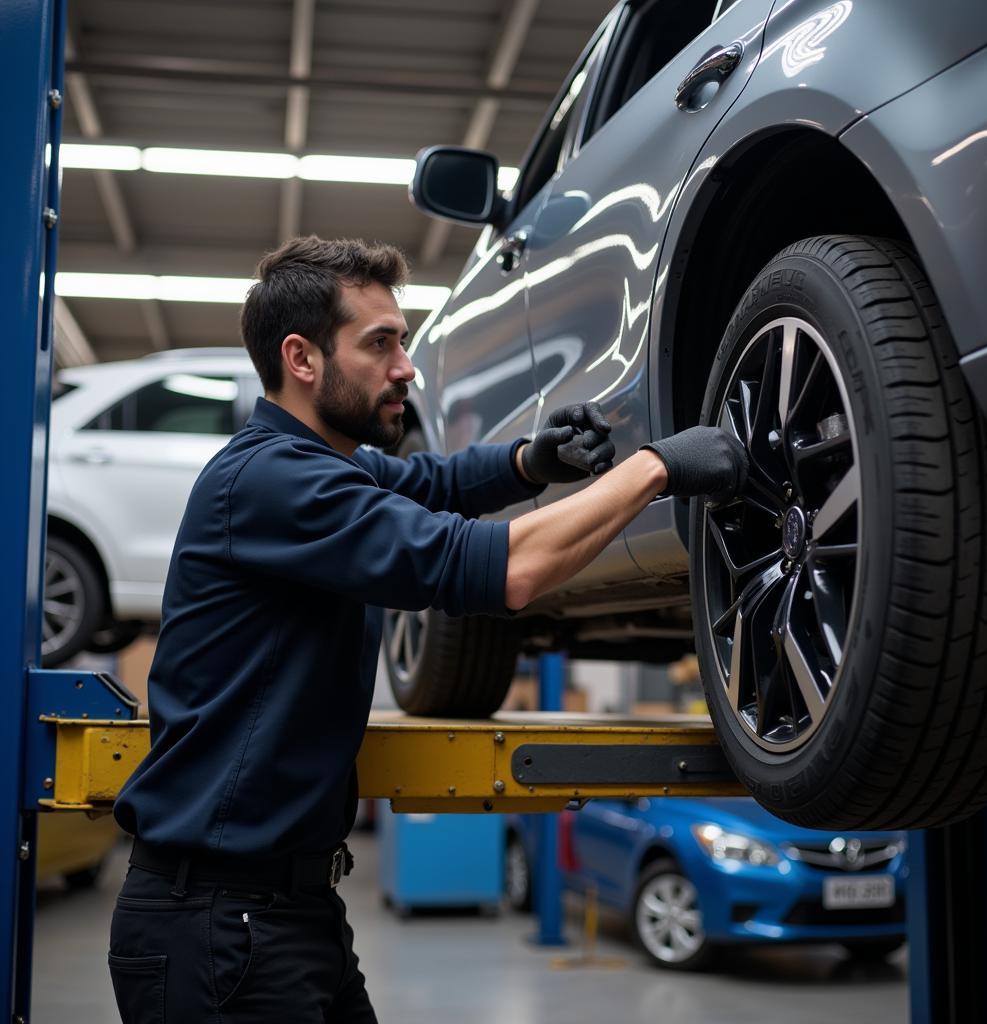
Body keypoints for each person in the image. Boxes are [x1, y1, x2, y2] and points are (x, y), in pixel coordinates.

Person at [107, 235, 747, 1023]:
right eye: (380, 344)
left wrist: (530, 460)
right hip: (216, 926)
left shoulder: (322, 464)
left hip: (283, 911)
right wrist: (654, 468)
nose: (405, 367)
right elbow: (504, 570)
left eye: (402, 342)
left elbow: (432, 482)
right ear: (301, 359)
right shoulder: (271, 481)